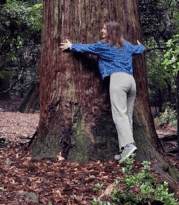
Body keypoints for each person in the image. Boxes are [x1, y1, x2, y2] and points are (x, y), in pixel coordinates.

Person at [60, 21, 145, 163]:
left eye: (104, 29)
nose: (101, 31)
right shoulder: (127, 45)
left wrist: (71, 46)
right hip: (131, 82)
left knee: (119, 115)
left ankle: (128, 145)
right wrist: (141, 46)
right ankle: (125, 150)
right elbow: (139, 50)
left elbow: (88, 48)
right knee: (127, 116)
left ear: (111, 31)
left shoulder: (104, 46)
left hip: (118, 80)